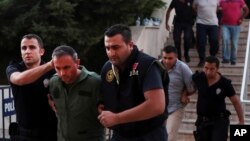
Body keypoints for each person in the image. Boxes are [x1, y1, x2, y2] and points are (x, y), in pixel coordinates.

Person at [99, 24, 168, 141]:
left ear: (130, 45)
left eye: (116, 47)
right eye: (108, 48)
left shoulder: (146, 65)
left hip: (149, 135)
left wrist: (117, 118)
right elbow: (102, 98)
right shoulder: (107, 68)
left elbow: (157, 106)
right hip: (120, 135)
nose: (111, 53)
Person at [6, 34, 57, 141]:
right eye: (24, 48)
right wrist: (49, 65)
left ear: (41, 51)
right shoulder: (14, 67)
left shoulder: (54, 71)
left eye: (32, 47)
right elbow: (19, 79)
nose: (27, 51)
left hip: (50, 134)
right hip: (24, 135)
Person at [49, 45, 104, 141]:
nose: (62, 73)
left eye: (66, 67)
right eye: (58, 68)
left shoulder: (95, 82)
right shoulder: (53, 82)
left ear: (77, 63)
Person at [192, 56, 244, 141]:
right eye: (206, 68)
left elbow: (235, 101)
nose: (208, 71)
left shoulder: (225, 83)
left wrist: (241, 121)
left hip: (219, 120)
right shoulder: (198, 77)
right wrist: (184, 94)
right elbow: (188, 87)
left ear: (217, 69)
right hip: (202, 121)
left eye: (212, 69)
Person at [161, 45, 195, 141]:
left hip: (175, 108)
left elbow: (192, 87)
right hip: (158, 108)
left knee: (170, 137)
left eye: (170, 58)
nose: (167, 61)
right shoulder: (156, 66)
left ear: (176, 57)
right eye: (165, 58)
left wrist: (184, 94)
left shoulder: (183, 68)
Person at [219, 0, 249, 65]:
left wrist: (241, 18)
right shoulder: (222, 1)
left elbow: (246, 10)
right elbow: (216, 9)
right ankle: (226, 58)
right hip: (225, 25)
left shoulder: (240, 1)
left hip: (236, 25)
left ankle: (233, 59)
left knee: (234, 43)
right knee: (225, 40)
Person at [193, 0, 220, 67]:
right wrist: (200, 13)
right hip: (201, 22)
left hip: (213, 23)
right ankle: (202, 60)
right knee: (201, 42)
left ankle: (212, 57)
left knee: (214, 40)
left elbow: (218, 8)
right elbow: (193, 7)